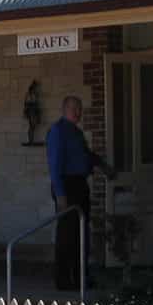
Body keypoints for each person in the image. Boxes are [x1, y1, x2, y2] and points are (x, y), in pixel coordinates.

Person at [46, 95, 111, 294]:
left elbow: (86, 155)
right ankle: (64, 279)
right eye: (74, 108)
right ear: (65, 109)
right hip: (67, 185)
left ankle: (80, 276)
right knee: (67, 234)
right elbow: (54, 165)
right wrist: (60, 195)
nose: (78, 112)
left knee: (82, 232)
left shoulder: (77, 132)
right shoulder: (58, 131)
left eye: (80, 108)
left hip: (80, 184)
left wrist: (103, 165)